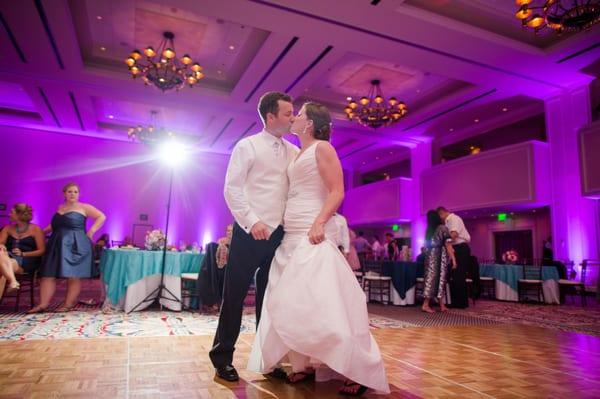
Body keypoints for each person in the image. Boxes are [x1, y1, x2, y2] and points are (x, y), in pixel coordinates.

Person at [248, 102, 389, 396]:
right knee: (290, 301)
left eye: (299, 114)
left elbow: (337, 190)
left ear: (310, 123)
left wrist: (319, 223)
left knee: (322, 303)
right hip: (289, 236)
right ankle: (304, 364)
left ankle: (358, 369)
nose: (295, 118)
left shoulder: (323, 149)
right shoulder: (296, 152)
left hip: (309, 234)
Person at [209, 92, 298, 382]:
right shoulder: (246, 146)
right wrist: (252, 222)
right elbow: (231, 189)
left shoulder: (293, 151)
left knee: (270, 299)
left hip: (280, 236)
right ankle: (222, 358)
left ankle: (268, 360)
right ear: (270, 116)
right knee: (233, 296)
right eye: (287, 113)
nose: (293, 117)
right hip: (250, 234)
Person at [28, 183, 106, 313]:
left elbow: (101, 216)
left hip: (77, 244)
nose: (73, 194)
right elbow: (53, 226)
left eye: (75, 192)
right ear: (64, 193)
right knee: (48, 274)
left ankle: (68, 304)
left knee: (73, 275)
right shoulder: (60, 207)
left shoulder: (84, 207)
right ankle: (43, 304)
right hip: (57, 243)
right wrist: (39, 233)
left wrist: (91, 231)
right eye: (70, 191)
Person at [0, 204, 45, 298]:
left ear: (19, 215)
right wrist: (1, 245)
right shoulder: (7, 228)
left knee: (3, 268)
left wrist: (23, 253)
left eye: (12, 212)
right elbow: (1, 243)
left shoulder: (36, 229)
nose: (9, 214)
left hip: (27, 260)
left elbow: (42, 251)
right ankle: (13, 281)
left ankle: (12, 281)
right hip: (8, 257)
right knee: (2, 258)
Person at [422, 210, 456, 313]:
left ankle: (441, 305)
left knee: (431, 279)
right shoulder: (443, 228)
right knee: (440, 279)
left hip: (429, 256)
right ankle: (425, 304)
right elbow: (448, 245)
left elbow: (426, 246)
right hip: (439, 256)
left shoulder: (429, 231)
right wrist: (454, 259)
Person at [437, 206, 471, 309]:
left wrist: (442, 241)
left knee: (459, 275)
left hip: (460, 249)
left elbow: (454, 234)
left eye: (439, 217)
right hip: (455, 248)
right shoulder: (447, 222)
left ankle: (461, 303)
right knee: (454, 276)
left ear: (441, 214)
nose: (440, 219)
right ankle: (456, 301)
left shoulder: (454, 219)